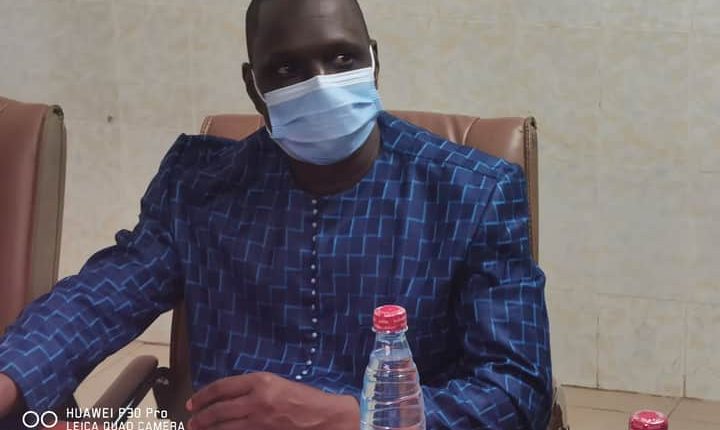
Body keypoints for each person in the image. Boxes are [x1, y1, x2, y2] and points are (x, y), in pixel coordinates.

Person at [0, 0, 552, 428]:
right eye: (287, 69)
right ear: (254, 86)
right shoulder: (199, 187)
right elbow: (101, 296)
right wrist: (11, 374)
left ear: (374, 61)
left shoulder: (473, 193)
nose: (320, 83)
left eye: (342, 58)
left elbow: (517, 389)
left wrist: (359, 418)